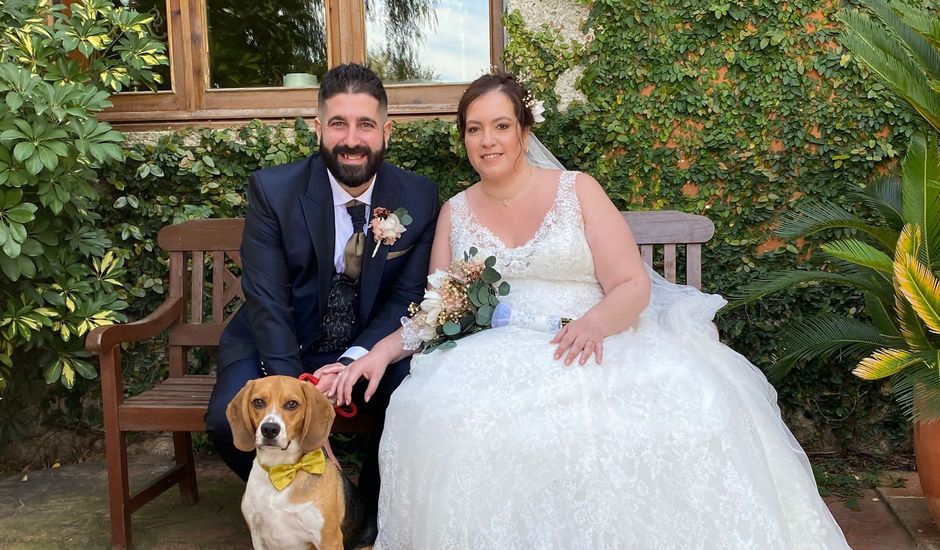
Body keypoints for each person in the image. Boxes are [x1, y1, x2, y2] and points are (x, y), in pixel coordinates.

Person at [330, 72, 851, 549]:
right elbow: (435, 310)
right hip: (493, 352)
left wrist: (594, 323)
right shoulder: (455, 212)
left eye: (500, 126)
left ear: (525, 131)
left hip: (594, 338)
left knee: (676, 409)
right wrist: (377, 355)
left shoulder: (577, 191)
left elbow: (629, 285)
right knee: (451, 417)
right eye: (474, 129)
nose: (487, 141)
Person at [205, 63, 439, 512]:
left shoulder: (419, 196)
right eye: (338, 124)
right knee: (223, 422)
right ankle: (295, 503)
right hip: (275, 343)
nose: (351, 140)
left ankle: (363, 517)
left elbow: (406, 297)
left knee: (414, 400)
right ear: (318, 129)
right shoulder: (273, 190)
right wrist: (299, 390)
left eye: (365, 125)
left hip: (363, 346)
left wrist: (357, 359)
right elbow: (267, 299)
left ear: (386, 131)